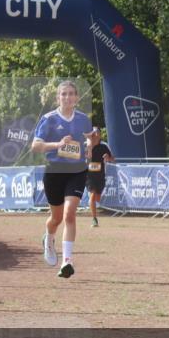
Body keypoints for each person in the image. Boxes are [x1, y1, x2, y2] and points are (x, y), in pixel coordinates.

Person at [31, 80, 93, 279]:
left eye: (71, 94)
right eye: (63, 94)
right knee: (55, 219)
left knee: (69, 215)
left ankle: (67, 261)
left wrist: (90, 145)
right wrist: (57, 144)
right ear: (58, 97)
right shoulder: (49, 119)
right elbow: (36, 146)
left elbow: (90, 138)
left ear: (76, 97)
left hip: (77, 171)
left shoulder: (83, 119)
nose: (67, 97)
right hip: (55, 172)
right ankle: (48, 238)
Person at [83, 127, 113, 228]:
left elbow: (113, 158)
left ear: (99, 135)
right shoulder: (86, 145)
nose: (95, 135)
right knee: (92, 195)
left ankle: (93, 204)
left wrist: (108, 158)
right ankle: (94, 219)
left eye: (96, 133)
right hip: (89, 176)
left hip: (100, 175)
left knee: (98, 198)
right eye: (93, 133)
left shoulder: (104, 146)